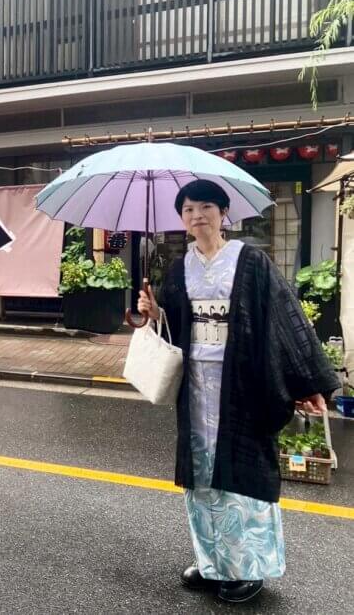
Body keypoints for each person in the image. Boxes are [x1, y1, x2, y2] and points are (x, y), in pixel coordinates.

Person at [137, 180, 337, 604]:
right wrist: (154, 312)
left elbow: (284, 317)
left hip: (243, 385)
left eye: (206, 207)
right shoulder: (180, 268)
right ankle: (211, 561)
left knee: (243, 475)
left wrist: (308, 382)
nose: (197, 216)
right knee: (203, 474)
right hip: (196, 388)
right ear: (182, 218)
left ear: (224, 212)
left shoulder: (250, 261)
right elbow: (174, 324)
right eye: (188, 209)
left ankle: (248, 567)